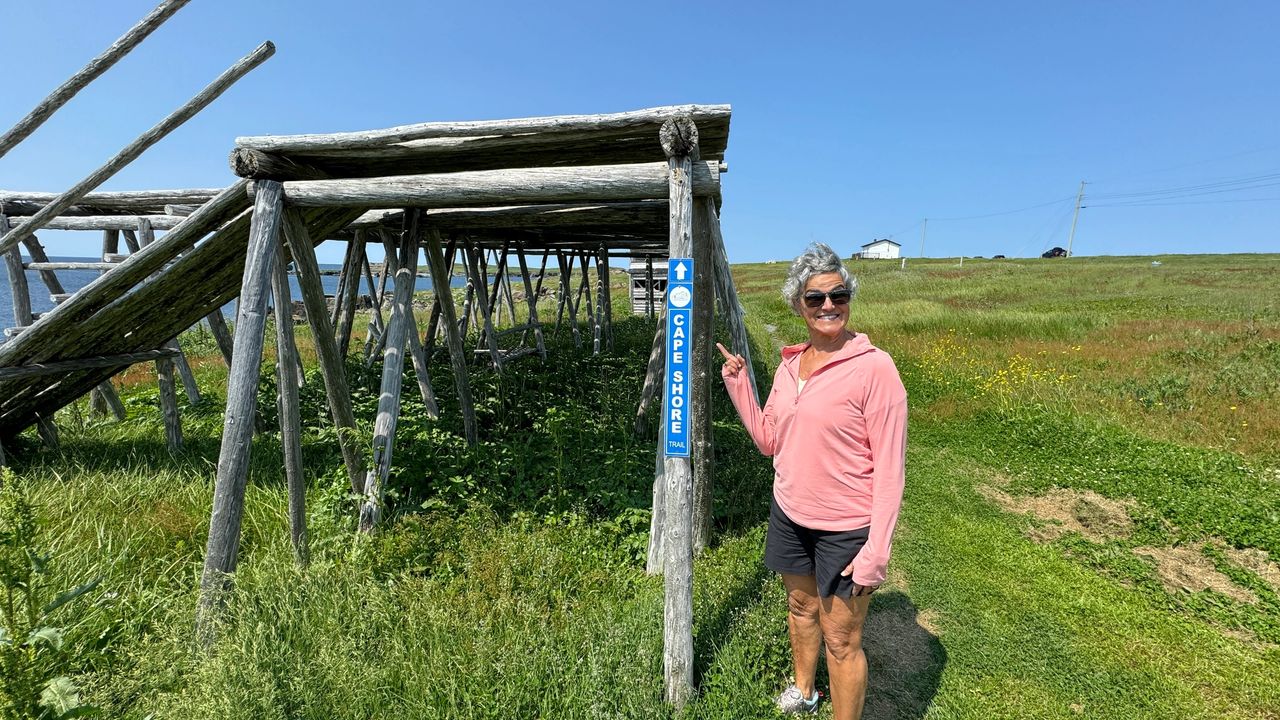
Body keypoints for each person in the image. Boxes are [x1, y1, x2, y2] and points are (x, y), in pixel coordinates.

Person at [717, 242, 907, 719]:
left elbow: (890, 469)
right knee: (801, 610)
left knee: (842, 639)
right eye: (816, 298)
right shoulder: (788, 366)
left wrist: (876, 553)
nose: (828, 306)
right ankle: (805, 692)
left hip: (846, 526)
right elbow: (768, 442)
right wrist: (740, 385)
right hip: (790, 514)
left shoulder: (875, 369)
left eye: (838, 295)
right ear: (797, 305)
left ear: (849, 298)